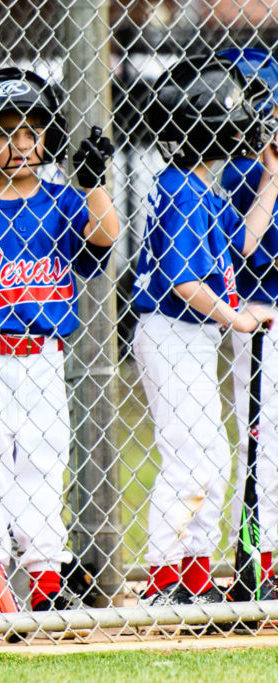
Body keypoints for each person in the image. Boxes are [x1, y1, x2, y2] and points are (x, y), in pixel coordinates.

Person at [0, 68, 119, 613]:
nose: (21, 143)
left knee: (42, 468)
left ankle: (47, 584)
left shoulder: (64, 201)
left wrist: (93, 180)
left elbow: (106, 236)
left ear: (49, 134)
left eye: (32, 129)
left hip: (41, 359)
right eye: (6, 131)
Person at [132, 55, 278, 609]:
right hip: (171, 330)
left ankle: (191, 574)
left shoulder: (202, 188)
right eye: (239, 119)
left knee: (210, 455)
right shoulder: (184, 191)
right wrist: (239, 316)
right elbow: (185, 280)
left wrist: (271, 178)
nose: (251, 127)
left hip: (187, 335)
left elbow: (241, 245)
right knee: (192, 453)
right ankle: (164, 576)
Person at [217, 46, 278, 600]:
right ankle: (258, 557)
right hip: (262, 320)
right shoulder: (244, 171)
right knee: (262, 443)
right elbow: (243, 248)